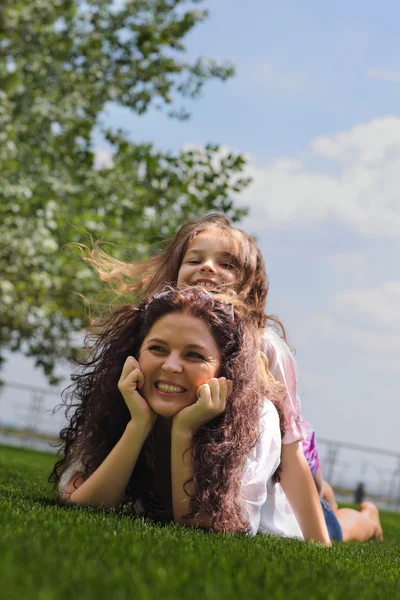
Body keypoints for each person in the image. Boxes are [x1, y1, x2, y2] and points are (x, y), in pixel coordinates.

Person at [80, 213, 382, 543]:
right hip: (237, 455)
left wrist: (319, 542)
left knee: (336, 519)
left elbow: (290, 443)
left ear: (248, 283)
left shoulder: (265, 346)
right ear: (176, 271)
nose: (208, 268)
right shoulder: (156, 324)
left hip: (286, 446)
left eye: (226, 264)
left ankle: (367, 516)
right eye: (195, 259)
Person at [51, 286, 303, 539]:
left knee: (338, 523)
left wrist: (184, 430)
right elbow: (81, 503)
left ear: (225, 369)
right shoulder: (116, 399)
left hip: (285, 521)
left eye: (194, 355)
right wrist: (139, 425)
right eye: (158, 349)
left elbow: (211, 529)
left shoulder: (257, 417)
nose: (171, 366)